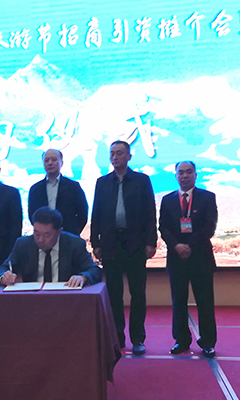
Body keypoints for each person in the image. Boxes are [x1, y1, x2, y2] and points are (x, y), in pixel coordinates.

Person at [90, 140, 157, 355]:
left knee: (138, 293)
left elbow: (150, 212)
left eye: (119, 153)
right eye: (112, 153)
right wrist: (96, 243)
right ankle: (117, 336)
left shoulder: (141, 181)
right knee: (113, 293)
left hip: (135, 243)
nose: (115, 157)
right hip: (111, 244)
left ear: (129, 156)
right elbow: (96, 214)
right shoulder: (102, 183)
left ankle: (138, 338)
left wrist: (151, 242)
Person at [159, 161, 218, 357]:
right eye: (181, 172)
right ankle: (181, 340)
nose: (184, 176)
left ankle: (208, 342)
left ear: (195, 175)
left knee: (205, 301)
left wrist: (189, 246)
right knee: (178, 301)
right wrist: (177, 245)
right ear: (176, 175)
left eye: (189, 172)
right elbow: (163, 227)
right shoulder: (167, 200)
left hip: (200, 257)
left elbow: (209, 226)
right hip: (176, 258)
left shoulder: (207, 197)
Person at [0, 207, 102, 287]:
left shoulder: (74, 244)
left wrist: (83, 277)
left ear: (59, 232)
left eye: (46, 235)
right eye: (36, 233)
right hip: (32, 298)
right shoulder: (23, 244)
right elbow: (3, 268)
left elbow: (94, 270)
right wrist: (3, 276)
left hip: (66, 298)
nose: (40, 239)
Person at [28, 149, 89, 235]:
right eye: (46, 160)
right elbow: (32, 215)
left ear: (62, 163)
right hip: (43, 237)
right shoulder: (35, 189)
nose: (50, 163)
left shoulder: (73, 187)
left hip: (68, 235)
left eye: (54, 160)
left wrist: (73, 232)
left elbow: (83, 213)